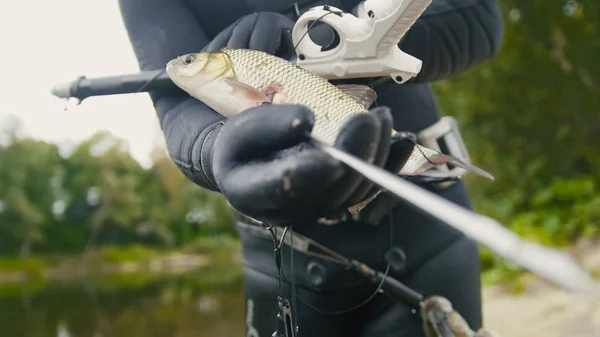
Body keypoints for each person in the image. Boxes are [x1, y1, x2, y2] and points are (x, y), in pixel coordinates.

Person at [118, 0, 504, 336]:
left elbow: (478, 16)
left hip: (428, 228)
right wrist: (215, 148)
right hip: (281, 262)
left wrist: (342, 46)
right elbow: (177, 105)